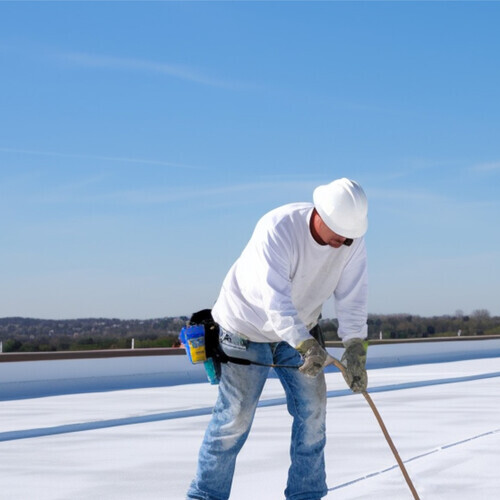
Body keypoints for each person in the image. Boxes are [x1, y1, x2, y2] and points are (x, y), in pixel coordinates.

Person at [186, 178, 369, 500]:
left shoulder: (351, 240)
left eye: (349, 236)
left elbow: (352, 299)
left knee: (313, 415)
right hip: (245, 329)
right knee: (235, 420)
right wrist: (305, 344)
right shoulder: (278, 227)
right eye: (338, 232)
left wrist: (355, 346)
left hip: (301, 331)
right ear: (320, 215)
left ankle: (306, 495)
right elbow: (276, 301)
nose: (343, 240)